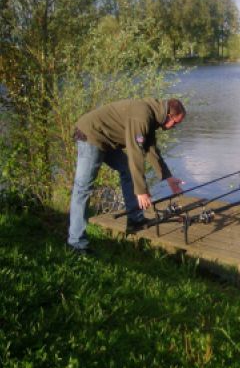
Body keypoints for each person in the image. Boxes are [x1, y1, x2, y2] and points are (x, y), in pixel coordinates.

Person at [68, 97, 186, 254]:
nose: (174, 127)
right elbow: (135, 152)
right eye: (175, 123)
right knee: (83, 188)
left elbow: (150, 149)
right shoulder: (142, 116)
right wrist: (141, 190)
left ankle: (135, 220)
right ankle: (76, 244)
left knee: (128, 171)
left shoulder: (153, 116)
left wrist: (168, 177)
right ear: (169, 115)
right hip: (91, 134)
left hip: (107, 140)